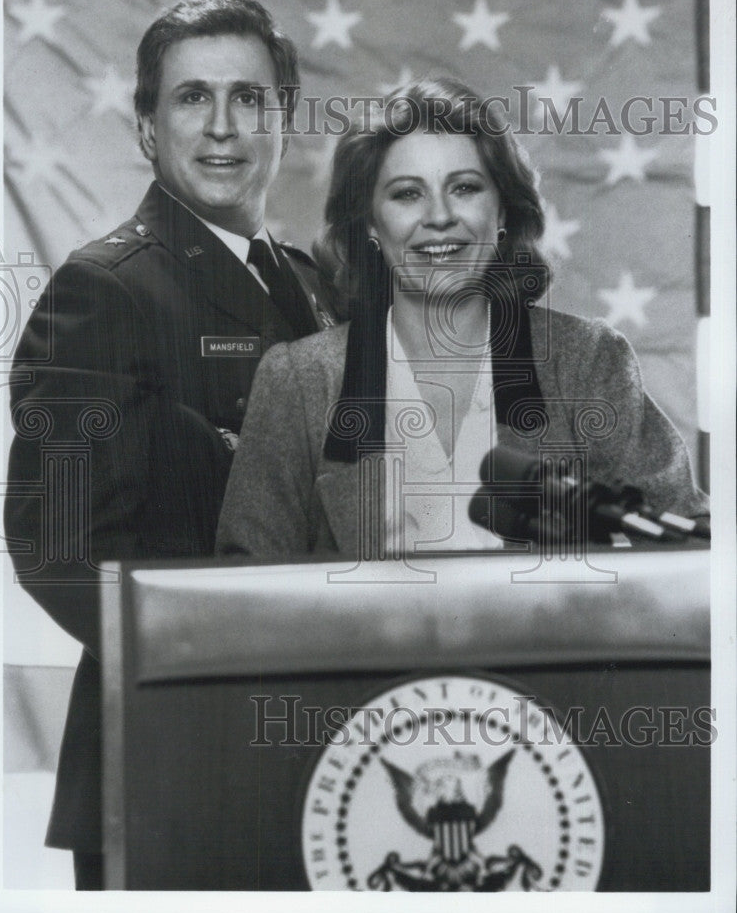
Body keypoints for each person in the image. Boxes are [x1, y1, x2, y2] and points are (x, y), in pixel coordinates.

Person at [4, 0, 337, 888]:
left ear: (286, 119)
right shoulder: (103, 292)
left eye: (248, 98)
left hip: (322, 755)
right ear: (147, 127)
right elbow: (62, 549)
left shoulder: (316, 288)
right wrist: (229, 677)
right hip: (169, 759)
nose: (222, 127)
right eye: (192, 98)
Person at [215, 77, 708, 560]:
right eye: (408, 193)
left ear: (502, 213)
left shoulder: (589, 361)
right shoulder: (300, 381)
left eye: (465, 187)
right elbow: (241, 598)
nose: (440, 216)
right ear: (369, 222)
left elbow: (692, 552)